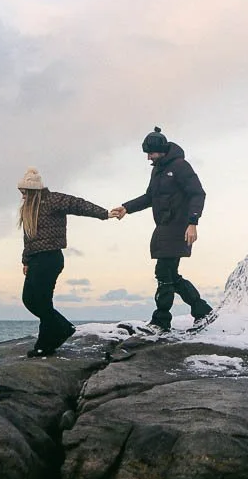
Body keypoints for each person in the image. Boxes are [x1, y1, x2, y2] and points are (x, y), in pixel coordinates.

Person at [109, 128, 213, 330]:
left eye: (151, 153)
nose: (148, 157)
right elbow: (150, 197)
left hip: (179, 228)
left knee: (164, 273)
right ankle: (203, 311)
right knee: (171, 275)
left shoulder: (180, 166)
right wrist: (126, 208)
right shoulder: (157, 170)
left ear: (161, 150)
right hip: (164, 228)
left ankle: (161, 321)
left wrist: (193, 223)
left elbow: (198, 194)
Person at [18, 167, 109, 357]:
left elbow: (79, 205)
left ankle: (59, 332)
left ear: (34, 190)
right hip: (36, 259)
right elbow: (28, 238)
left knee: (38, 302)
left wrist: (104, 213)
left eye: (25, 191)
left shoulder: (53, 200)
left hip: (50, 257)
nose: (23, 195)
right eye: (21, 192)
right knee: (33, 300)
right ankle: (49, 342)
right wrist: (25, 260)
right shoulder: (28, 210)